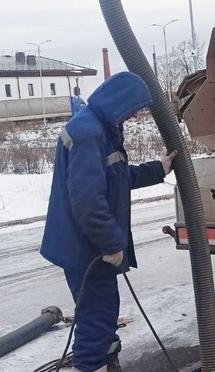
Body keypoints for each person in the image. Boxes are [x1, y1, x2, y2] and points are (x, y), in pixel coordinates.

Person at [40, 72, 177, 372]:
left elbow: (116, 176)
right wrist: (111, 243)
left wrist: (158, 169)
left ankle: (105, 354)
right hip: (86, 248)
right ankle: (90, 364)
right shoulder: (90, 133)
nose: (135, 114)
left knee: (101, 310)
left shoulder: (98, 126)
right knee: (97, 315)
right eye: (133, 108)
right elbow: (88, 200)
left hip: (84, 246)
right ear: (119, 102)